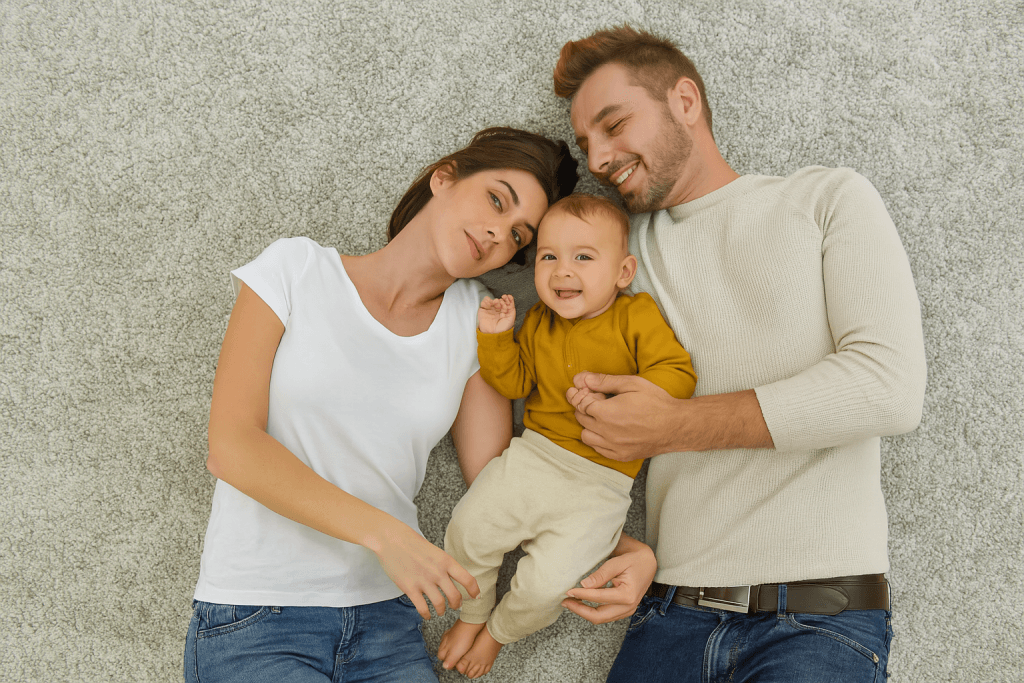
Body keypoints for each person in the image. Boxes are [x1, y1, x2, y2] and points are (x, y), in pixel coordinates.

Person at [551, 26, 928, 683]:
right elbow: (552, 424)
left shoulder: (826, 199)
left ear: (685, 101)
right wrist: (621, 544)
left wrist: (675, 424)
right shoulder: (616, 259)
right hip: (668, 614)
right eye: (588, 144)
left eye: (615, 125)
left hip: (819, 616)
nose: (601, 156)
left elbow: (889, 385)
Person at [183, 127, 578, 683]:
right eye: (496, 198)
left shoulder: (479, 321)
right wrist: (387, 536)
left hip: (386, 625)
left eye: (517, 235)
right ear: (445, 177)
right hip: (255, 617)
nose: (497, 233)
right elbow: (232, 448)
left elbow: (499, 481)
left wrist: (609, 536)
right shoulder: (296, 270)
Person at [437, 193, 698, 678]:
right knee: (468, 529)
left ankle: (497, 633)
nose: (562, 271)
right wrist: (496, 337)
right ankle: (472, 613)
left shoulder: (635, 315)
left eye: (583, 257)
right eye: (548, 257)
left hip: (601, 481)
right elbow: (514, 384)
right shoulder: (538, 321)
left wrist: (623, 398)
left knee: (548, 585)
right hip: (534, 456)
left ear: (622, 273)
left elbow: (677, 375)